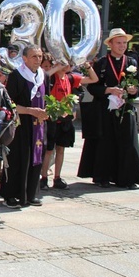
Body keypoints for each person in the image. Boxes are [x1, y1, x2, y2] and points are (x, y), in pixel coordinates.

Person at [87, 28, 139, 188]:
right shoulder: (102, 63)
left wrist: (133, 90)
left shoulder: (131, 62)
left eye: (124, 43)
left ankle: (127, 178)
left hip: (125, 108)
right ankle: (103, 176)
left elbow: (137, 86)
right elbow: (93, 87)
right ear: (110, 44)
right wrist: (108, 90)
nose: (122, 46)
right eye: (118, 43)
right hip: (106, 108)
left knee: (128, 142)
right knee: (106, 142)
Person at [1, 45, 49, 208]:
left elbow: (47, 98)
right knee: (18, 158)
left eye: (40, 56)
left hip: (38, 125)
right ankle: (11, 194)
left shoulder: (44, 76)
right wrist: (29, 111)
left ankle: (30, 193)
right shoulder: (16, 76)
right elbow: (9, 103)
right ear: (25, 58)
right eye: (34, 56)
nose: (38, 60)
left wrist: (51, 111)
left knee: (35, 158)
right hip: (21, 124)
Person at [40, 61, 98, 190]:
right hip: (51, 118)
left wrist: (87, 66)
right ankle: (43, 178)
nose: (69, 66)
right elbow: (42, 77)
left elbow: (94, 79)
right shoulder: (51, 77)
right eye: (67, 63)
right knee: (49, 150)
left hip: (65, 119)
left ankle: (57, 177)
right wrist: (56, 68)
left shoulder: (71, 77)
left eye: (71, 64)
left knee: (61, 149)